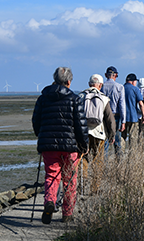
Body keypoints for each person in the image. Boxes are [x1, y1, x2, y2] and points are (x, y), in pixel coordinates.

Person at [32, 67, 88, 224]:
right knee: (69, 179)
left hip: (48, 145)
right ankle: (67, 214)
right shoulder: (75, 99)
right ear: (69, 82)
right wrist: (84, 144)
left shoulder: (43, 99)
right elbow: (81, 125)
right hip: (70, 147)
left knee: (51, 175)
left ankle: (49, 201)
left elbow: (36, 121)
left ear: (54, 80)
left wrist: (41, 136)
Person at [78, 74, 116, 195]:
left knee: (82, 159)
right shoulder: (104, 98)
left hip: (83, 133)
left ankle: (82, 186)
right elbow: (110, 119)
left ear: (89, 84)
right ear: (100, 85)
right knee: (98, 161)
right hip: (99, 134)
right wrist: (112, 134)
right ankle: (95, 188)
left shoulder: (80, 96)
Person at [101, 66, 126, 156]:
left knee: (105, 142)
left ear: (105, 75)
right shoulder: (120, 87)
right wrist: (123, 121)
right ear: (116, 75)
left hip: (103, 116)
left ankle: (104, 165)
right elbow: (122, 105)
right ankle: (119, 165)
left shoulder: (101, 86)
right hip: (116, 116)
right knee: (117, 142)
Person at [122, 73, 144, 151]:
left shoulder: (121, 88)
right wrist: (143, 115)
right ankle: (131, 156)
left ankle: (120, 155)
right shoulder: (135, 89)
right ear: (133, 81)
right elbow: (141, 104)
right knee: (133, 137)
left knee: (122, 136)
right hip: (133, 116)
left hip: (122, 117)